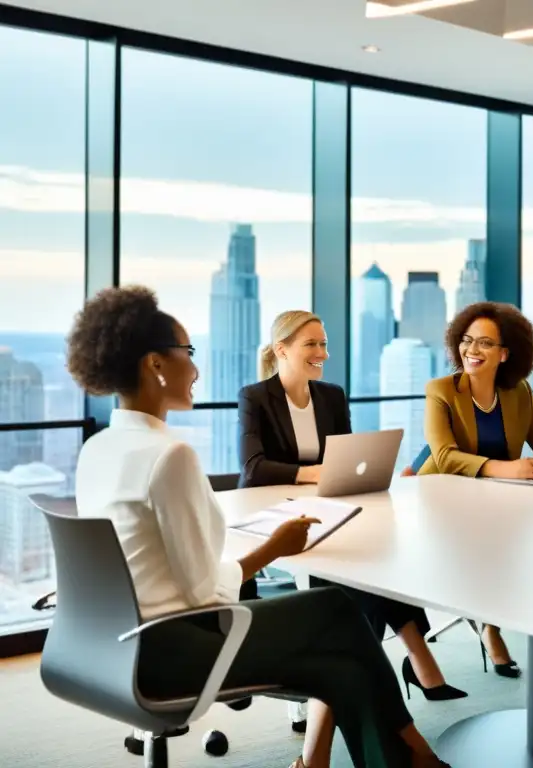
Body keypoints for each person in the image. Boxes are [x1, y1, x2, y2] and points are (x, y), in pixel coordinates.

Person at [68, 287, 448, 768]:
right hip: (175, 647)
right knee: (338, 610)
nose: (197, 369)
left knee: (342, 658)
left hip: (109, 644)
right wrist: (273, 549)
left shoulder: (98, 450)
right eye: (187, 353)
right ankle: (415, 755)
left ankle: (363, 758)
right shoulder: (169, 455)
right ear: (154, 365)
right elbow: (204, 589)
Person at [237, 311, 466, 746]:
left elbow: (348, 455)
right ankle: (413, 660)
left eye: (324, 345)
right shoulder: (256, 396)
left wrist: (341, 474)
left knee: (373, 551)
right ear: (281, 349)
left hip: (326, 504)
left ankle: (400, 659)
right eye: (311, 345)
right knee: (354, 573)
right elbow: (253, 468)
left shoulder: (331, 395)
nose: (322, 354)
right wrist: (314, 473)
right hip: (274, 511)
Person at [418, 301, 533, 678]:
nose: (472, 351)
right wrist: (507, 468)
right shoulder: (441, 391)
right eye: (467, 341)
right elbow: (445, 457)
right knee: (494, 543)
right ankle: (491, 628)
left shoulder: (518, 393)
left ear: (505, 353)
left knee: (532, 535)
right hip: (443, 496)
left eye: (484, 343)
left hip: (497, 499)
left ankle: (493, 620)